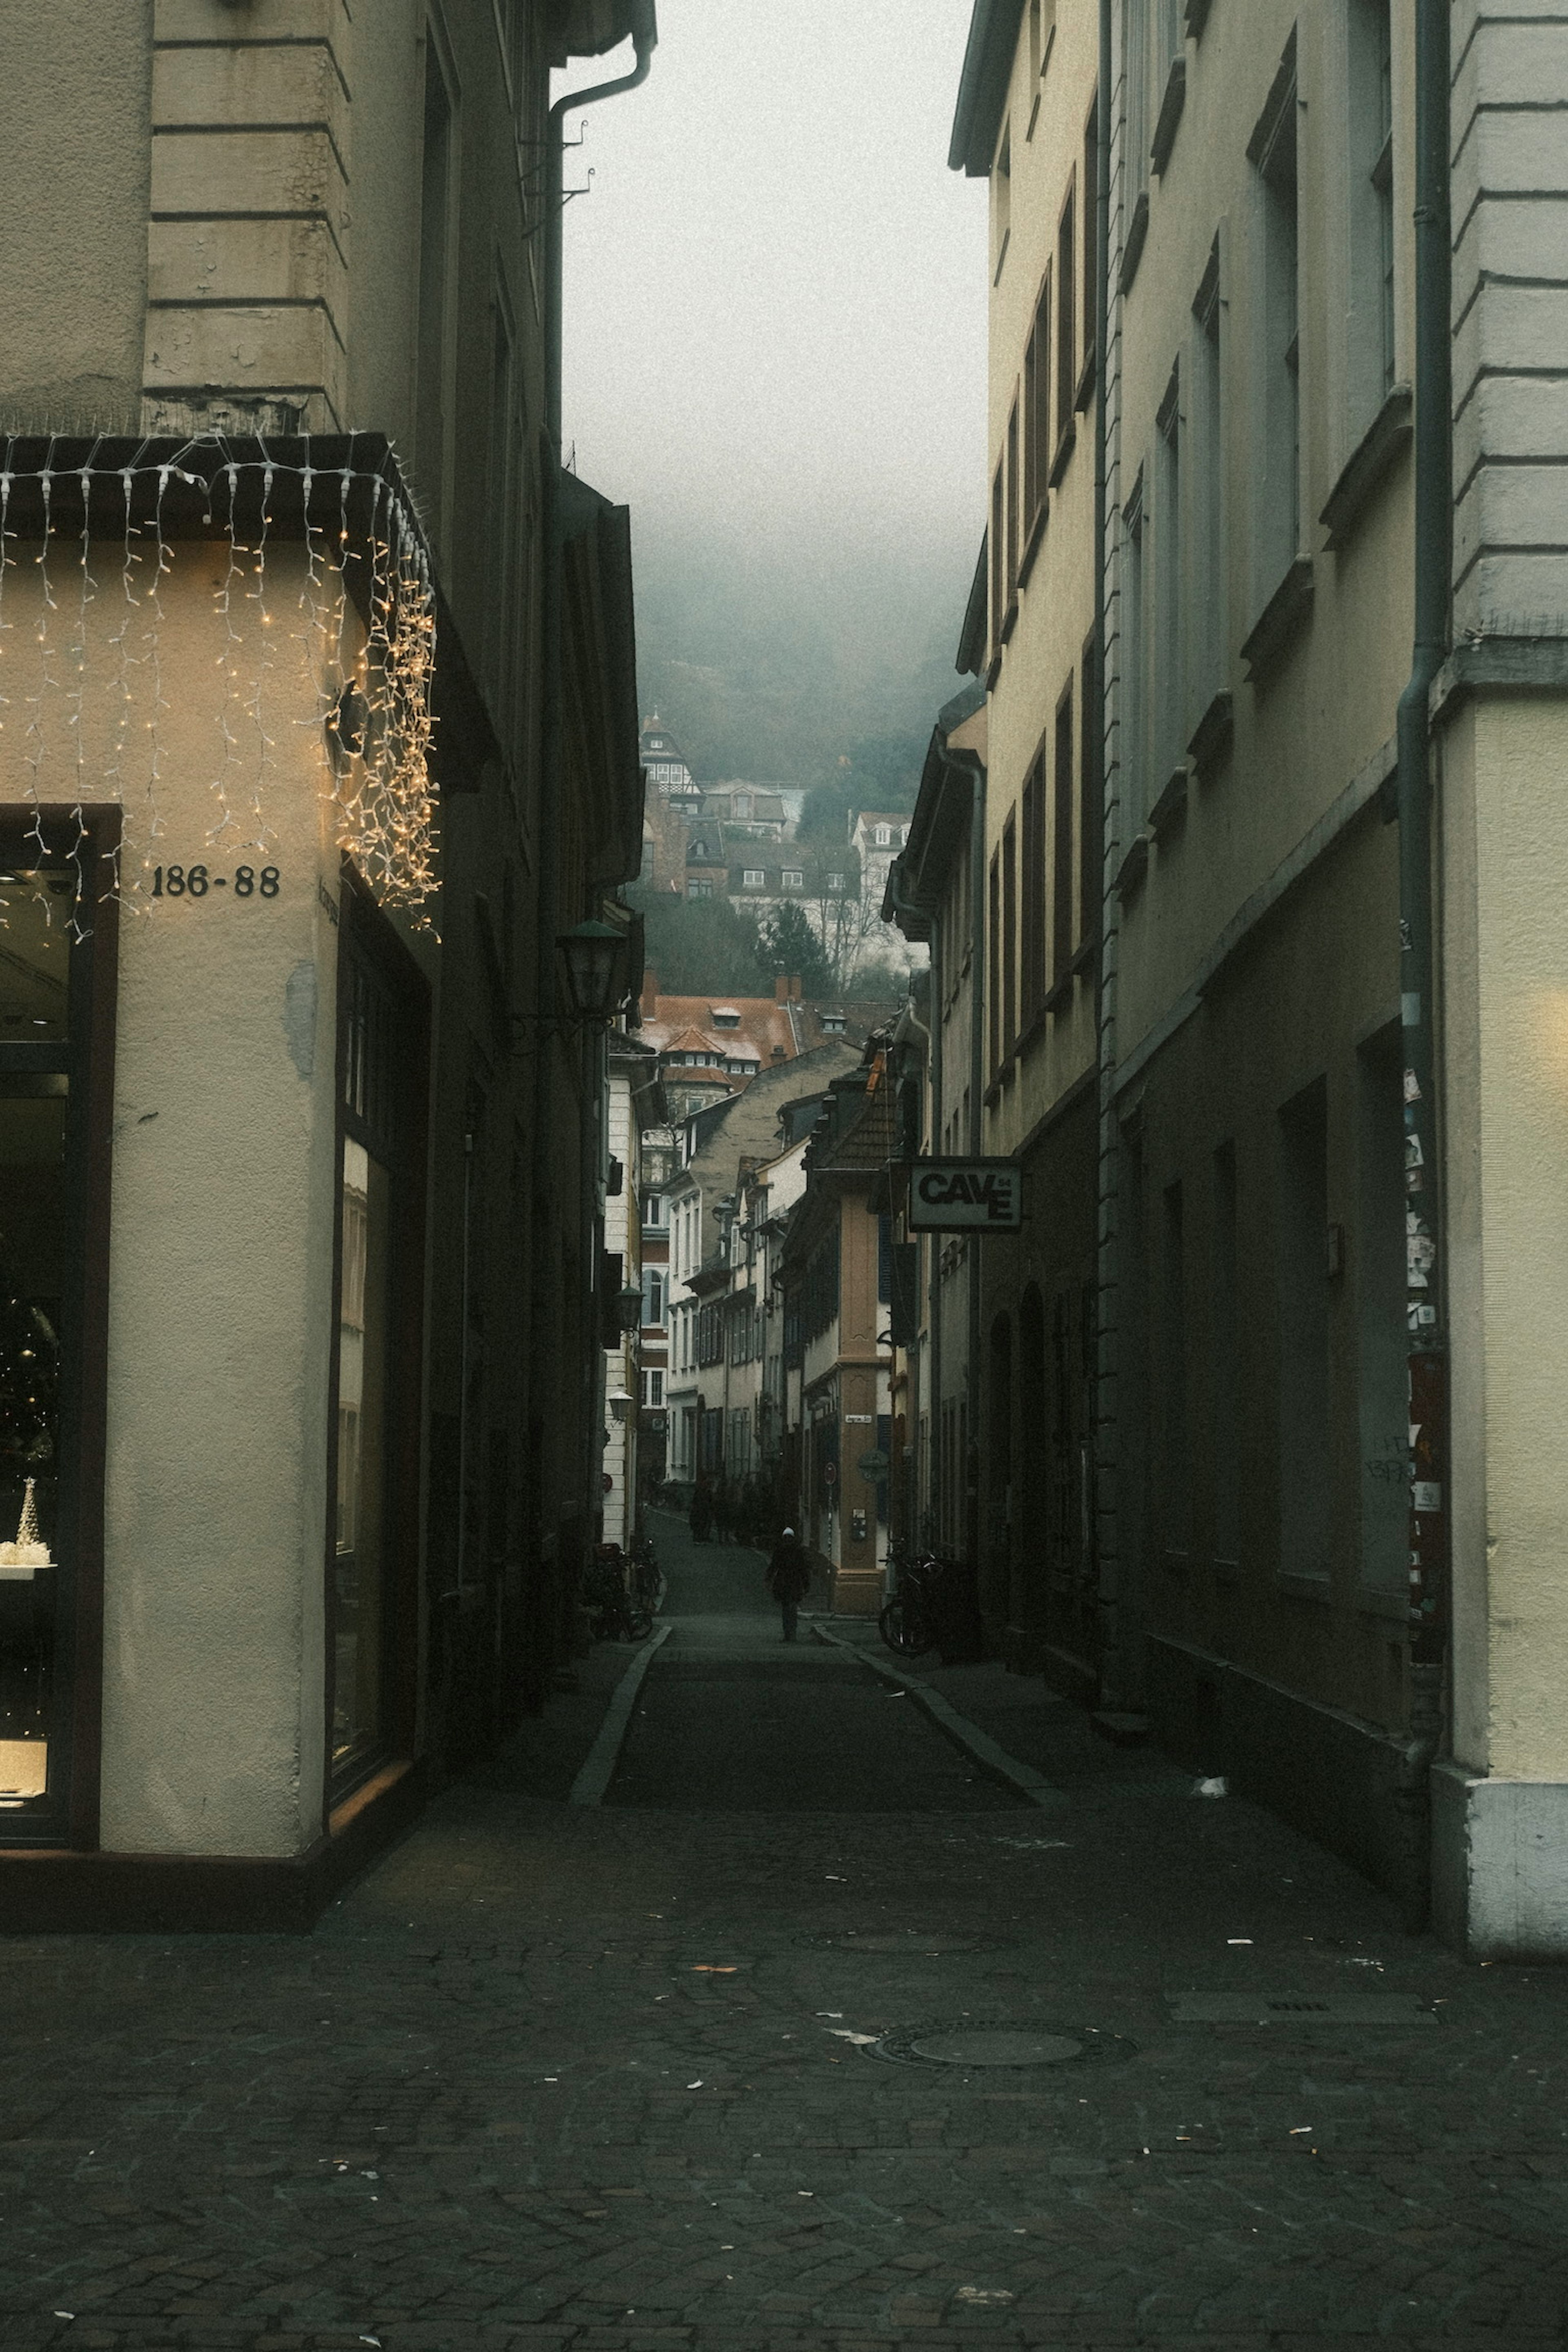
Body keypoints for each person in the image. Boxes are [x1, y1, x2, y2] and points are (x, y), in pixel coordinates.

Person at [766, 1525, 811, 1643]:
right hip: (795, 1583)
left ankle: (788, 1633)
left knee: (786, 1609)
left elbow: (773, 1566)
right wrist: (806, 1585)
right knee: (792, 1609)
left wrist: (769, 1578)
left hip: (783, 1582)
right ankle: (792, 1633)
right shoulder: (798, 1551)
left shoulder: (780, 1550)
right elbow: (803, 1569)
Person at [689, 1477, 713, 1545]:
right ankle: (697, 1538)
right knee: (698, 1524)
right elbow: (695, 1501)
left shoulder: (708, 1492)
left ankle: (701, 1537)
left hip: (704, 1510)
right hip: (699, 1510)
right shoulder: (701, 1492)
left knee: (703, 1524)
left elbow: (710, 1501)